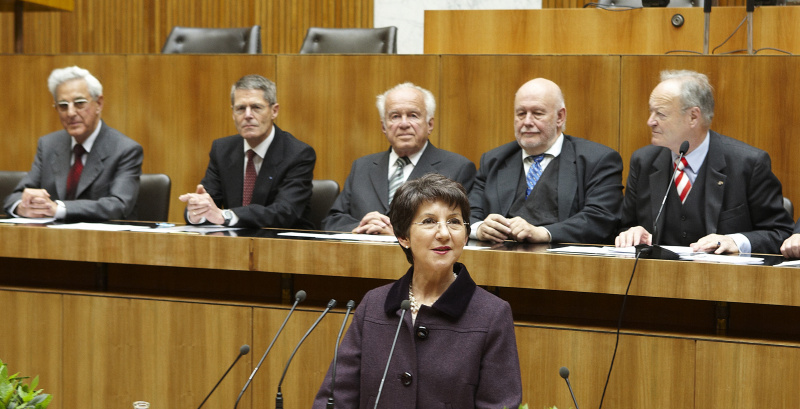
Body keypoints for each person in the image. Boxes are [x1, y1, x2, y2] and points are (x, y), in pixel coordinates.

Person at [303, 174, 522, 409]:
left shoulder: (491, 313)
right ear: (403, 236)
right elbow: (339, 395)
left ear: (466, 234)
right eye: (429, 221)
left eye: (454, 221)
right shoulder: (375, 304)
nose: (444, 233)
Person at [616, 70, 794, 254]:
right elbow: (624, 227)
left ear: (693, 116)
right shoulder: (644, 161)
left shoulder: (747, 164)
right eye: (651, 111)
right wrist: (631, 232)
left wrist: (735, 241)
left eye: (661, 114)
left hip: (725, 278)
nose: (650, 121)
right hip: (657, 277)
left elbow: (781, 233)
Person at [469, 78, 623, 244]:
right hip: (499, 261)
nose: (527, 122)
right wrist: (479, 228)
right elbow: (465, 215)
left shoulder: (597, 160)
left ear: (560, 117)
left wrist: (543, 233)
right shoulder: (493, 160)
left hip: (568, 264)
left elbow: (601, 219)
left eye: (537, 113)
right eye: (521, 113)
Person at [322, 82, 476, 234]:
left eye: (413, 115)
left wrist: (397, 236)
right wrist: (361, 228)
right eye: (395, 116)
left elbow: (460, 228)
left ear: (430, 124)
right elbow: (332, 221)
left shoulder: (457, 168)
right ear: (384, 126)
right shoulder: (362, 166)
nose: (403, 124)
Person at [4, 66, 142, 221]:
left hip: (104, 241)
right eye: (63, 106)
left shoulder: (125, 150)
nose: (70, 113)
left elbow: (118, 205)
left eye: (79, 103)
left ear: (99, 104)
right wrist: (22, 206)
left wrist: (59, 208)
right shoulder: (48, 145)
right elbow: (14, 197)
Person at [179, 74, 316, 229]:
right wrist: (197, 211)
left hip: (284, 245)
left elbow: (284, 212)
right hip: (234, 244)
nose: (248, 115)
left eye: (256, 107)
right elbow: (210, 201)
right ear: (233, 113)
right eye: (240, 108)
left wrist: (225, 215)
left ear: (274, 111)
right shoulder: (222, 150)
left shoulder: (298, 153)